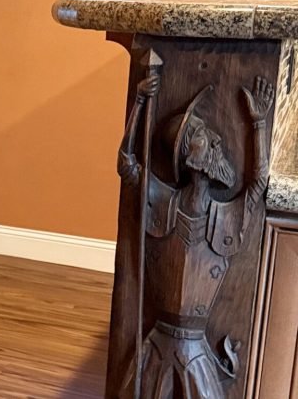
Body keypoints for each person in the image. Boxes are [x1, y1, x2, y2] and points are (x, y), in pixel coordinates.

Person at [117, 72, 273, 398]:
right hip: (157, 345)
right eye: (203, 135)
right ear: (188, 154)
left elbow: (258, 184)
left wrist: (258, 123)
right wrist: (142, 101)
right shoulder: (162, 202)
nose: (216, 141)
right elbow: (126, 163)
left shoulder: (224, 217)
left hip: (197, 350)